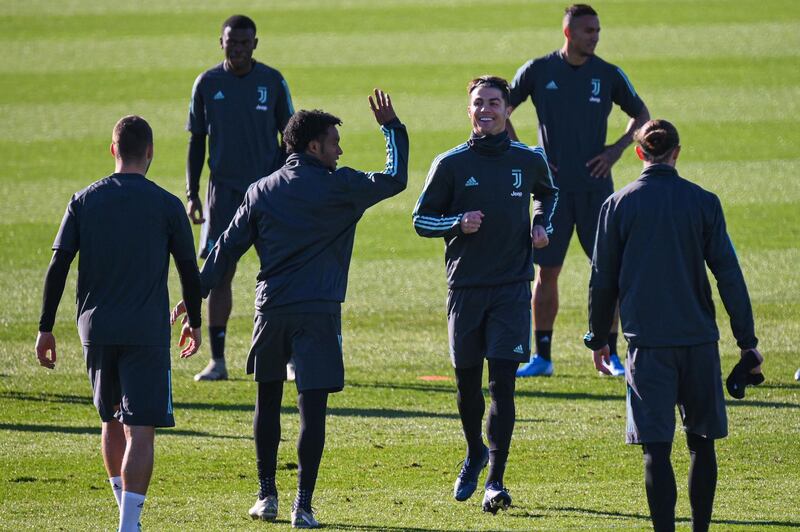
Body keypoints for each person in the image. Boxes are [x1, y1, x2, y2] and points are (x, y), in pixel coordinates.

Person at [172, 90, 407, 528]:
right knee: (311, 409)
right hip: (319, 313)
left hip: (272, 310)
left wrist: (193, 296)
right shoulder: (342, 186)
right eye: (335, 141)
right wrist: (392, 127)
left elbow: (224, 250)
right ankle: (305, 505)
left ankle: (266, 496)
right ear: (314, 146)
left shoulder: (260, 190)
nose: (340, 149)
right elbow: (396, 178)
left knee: (267, 400)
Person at [584, 119, 762, 532]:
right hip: (699, 341)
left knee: (656, 450)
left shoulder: (617, 205)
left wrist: (598, 338)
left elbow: (601, 280)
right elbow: (729, 276)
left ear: (639, 153)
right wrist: (746, 341)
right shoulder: (703, 202)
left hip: (647, 346)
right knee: (702, 444)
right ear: (676, 152)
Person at [35, 116, 202, 532]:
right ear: (150, 153)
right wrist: (195, 323)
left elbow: (58, 265)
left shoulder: (84, 200)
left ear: (113, 150)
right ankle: (129, 524)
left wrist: (45, 327)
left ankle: (125, 513)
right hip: (146, 330)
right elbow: (188, 270)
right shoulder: (166, 204)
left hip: (96, 329)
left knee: (110, 420)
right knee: (140, 429)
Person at [413, 76, 557, 513]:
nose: (485, 110)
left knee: (503, 385)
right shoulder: (450, 164)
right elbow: (421, 220)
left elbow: (549, 195)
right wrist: (457, 222)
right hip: (465, 288)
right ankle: (474, 450)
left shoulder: (528, 159)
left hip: (512, 287)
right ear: (469, 110)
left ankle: (495, 479)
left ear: (509, 109)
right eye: (478, 104)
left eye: (494, 102)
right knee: (467, 388)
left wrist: (540, 224)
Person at [508, 3, 650, 377]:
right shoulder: (538, 71)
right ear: (568, 32)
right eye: (589, 30)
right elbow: (501, 108)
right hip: (551, 193)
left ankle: (612, 355)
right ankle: (543, 357)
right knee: (546, 272)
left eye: (598, 30)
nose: (596, 36)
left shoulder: (607, 74)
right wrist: (528, 155)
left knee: (610, 272)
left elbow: (642, 116)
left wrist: (614, 151)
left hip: (597, 193)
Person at [186, 14, 295, 381]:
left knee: (280, 271)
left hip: (266, 194)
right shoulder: (207, 83)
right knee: (220, 275)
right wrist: (192, 192)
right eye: (232, 42)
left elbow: (290, 137)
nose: (239, 48)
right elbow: (196, 140)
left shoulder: (272, 81)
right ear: (221, 42)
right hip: (224, 194)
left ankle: (291, 357)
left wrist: (281, 180)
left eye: (245, 43)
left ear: (255, 45)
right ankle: (218, 360)